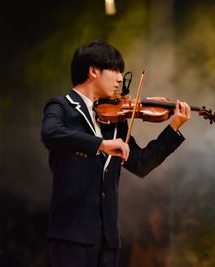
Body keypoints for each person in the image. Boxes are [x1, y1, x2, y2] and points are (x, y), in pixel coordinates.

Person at [41, 39, 191, 267]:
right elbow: (50, 134)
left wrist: (173, 129)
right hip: (70, 237)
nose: (121, 79)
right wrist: (101, 144)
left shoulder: (114, 120)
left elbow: (141, 163)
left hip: (108, 240)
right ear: (93, 70)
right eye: (115, 70)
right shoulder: (61, 107)